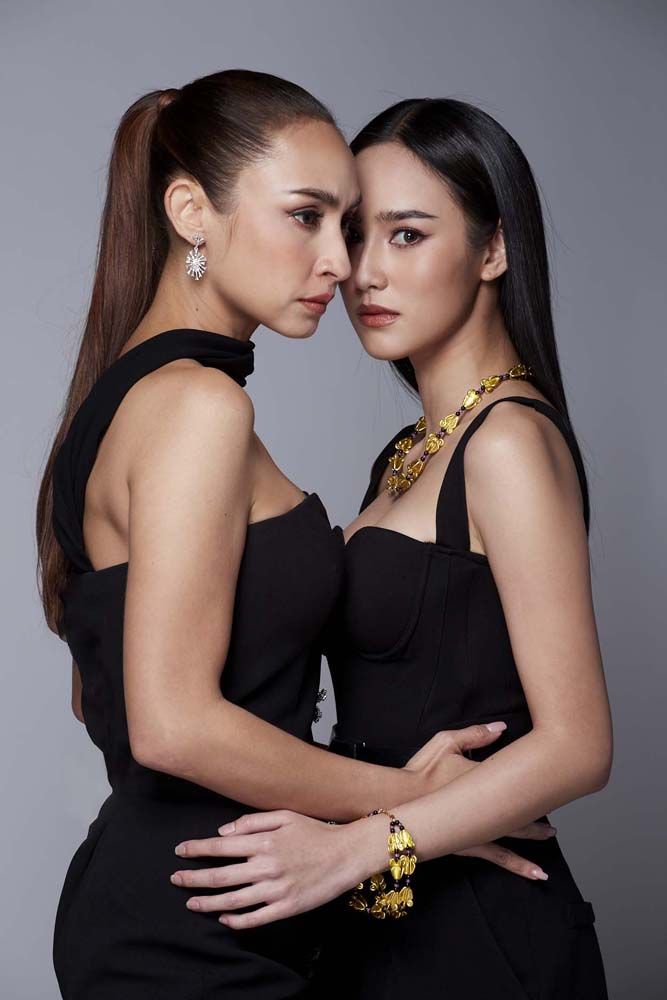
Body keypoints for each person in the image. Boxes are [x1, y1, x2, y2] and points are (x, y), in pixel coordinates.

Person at [38, 73, 548, 999]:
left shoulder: (120, 402)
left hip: (204, 894)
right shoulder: (198, 407)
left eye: (345, 226)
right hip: (200, 916)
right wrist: (417, 805)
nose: (340, 263)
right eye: (306, 217)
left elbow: (97, 696)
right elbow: (169, 726)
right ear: (190, 213)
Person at [172, 99, 612, 1000]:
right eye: (353, 234)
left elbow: (577, 745)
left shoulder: (506, 442)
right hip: (386, 920)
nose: (363, 272)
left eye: (406, 235)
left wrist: (354, 848)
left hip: (480, 931)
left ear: (493, 250)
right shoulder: (411, 450)